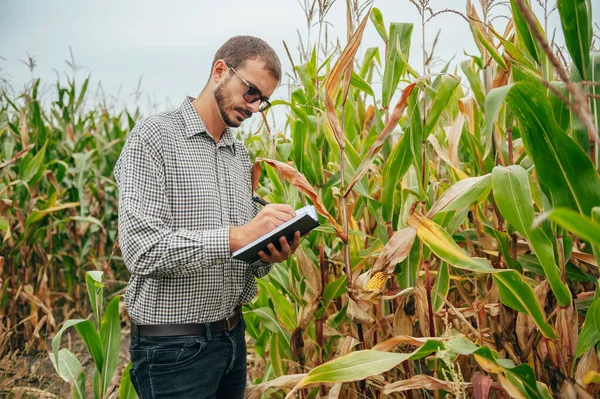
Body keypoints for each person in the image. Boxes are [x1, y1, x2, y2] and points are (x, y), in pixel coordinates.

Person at [114, 36, 302, 399]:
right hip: (173, 351)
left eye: (263, 100)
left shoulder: (238, 155)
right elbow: (140, 250)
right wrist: (236, 236)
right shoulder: (154, 138)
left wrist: (268, 251)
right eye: (251, 92)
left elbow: (240, 254)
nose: (255, 107)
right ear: (220, 71)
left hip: (230, 339)